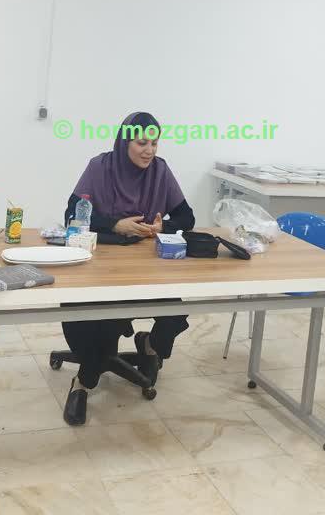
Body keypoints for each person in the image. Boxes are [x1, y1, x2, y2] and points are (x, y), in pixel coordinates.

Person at [61, 111, 195, 425]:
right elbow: (72, 214)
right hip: (101, 264)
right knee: (97, 317)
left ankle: (149, 345)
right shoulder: (100, 167)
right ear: (125, 142)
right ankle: (83, 382)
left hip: (145, 266)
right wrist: (116, 224)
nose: (149, 151)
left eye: (154, 143)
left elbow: (186, 217)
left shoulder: (160, 171)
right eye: (141, 143)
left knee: (175, 311)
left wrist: (163, 226)